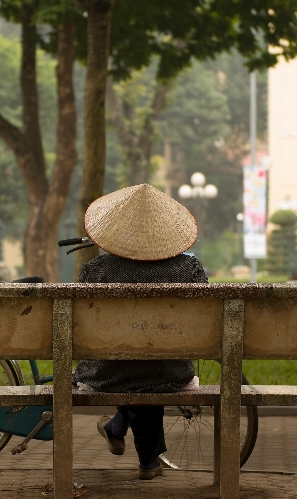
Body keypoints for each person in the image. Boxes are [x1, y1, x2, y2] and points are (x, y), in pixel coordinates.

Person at [72, 183, 205, 480]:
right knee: (151, 361)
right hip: (171, 370)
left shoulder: (95, 270)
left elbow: (83, 327)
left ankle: (120, 430)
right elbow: (205, 319)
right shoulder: (189, 269)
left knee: (130, 359)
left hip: (108, 372)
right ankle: (144, 458)